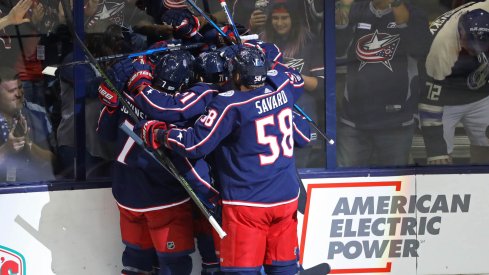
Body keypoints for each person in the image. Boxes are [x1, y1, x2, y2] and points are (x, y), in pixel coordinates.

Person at [138, 45, 311, 274]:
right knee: (284, 267)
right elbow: (294, 77)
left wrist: (160, 134)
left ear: (237, 75)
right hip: (286, 197)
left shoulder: (230, 104)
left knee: (241, 271)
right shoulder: (282, 86)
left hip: (249, 204)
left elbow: (194, 144)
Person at [335, 0, 431, 167]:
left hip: (396, 122)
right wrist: (342, 13)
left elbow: (420, 50)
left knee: (394, 186)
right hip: (354, 120)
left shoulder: (413, 13)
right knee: (348, 184)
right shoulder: (356, 10)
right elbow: (336, 50)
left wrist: (397, 8)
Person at [420, 2, 489, 165]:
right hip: (444, 100)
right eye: (471, 46)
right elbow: (429, 104)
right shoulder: (439, 51)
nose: (475, 50)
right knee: (439, 160)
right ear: (461, 33)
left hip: (481, 95)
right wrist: (436, 150)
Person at [0, 66, 55, 182]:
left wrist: (29, 145)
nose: (18, 94)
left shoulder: (38, 114)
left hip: (34, 187)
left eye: (20, 87)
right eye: (11, 91)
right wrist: (6, 149)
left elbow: (54, 161)